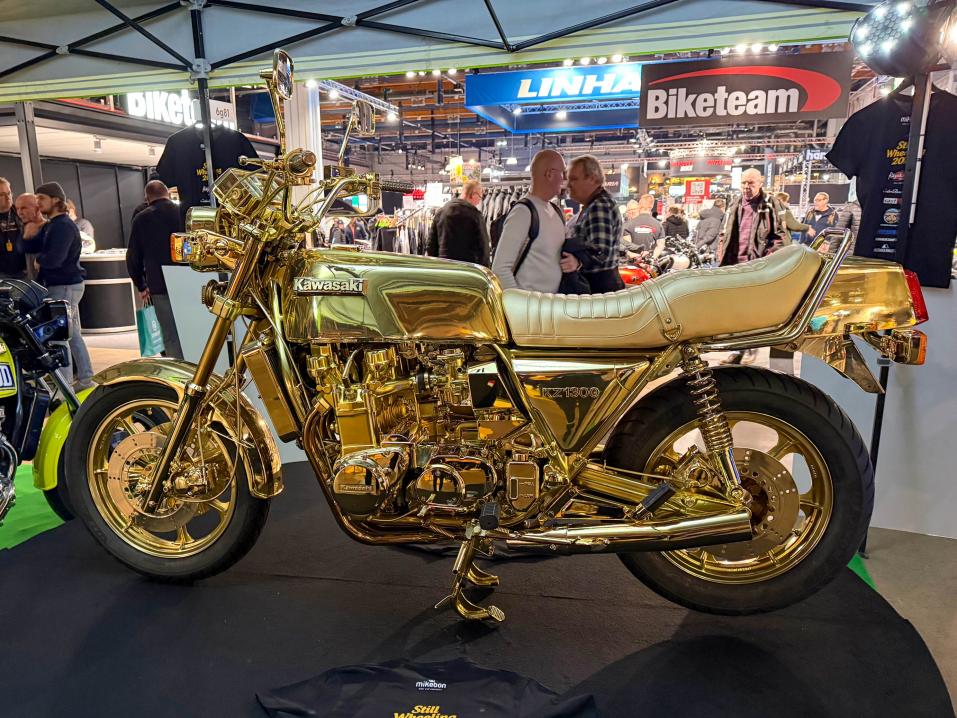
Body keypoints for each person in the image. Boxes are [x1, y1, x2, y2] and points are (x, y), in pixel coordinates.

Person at [31, 182, 93, 390]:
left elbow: (55, 259)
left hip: (64, 286)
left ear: (56, 199)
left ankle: (66, 385)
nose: (38, 203)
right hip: (65, 285)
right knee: (72, 334)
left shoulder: (62, 226)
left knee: (61, 336)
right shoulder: (55, 225)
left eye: (41, 198)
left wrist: (40, 260)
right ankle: (85, 378)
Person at [491, 149, 570, 292]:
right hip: (530, 305)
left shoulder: (556, 212)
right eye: (563, 173)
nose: (564, 179)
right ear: (549, 174)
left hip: (553, 303)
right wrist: (520, 303)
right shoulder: (523, 212)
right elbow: (500, 268)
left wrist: (575, 262)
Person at [126, 180, 185, 359]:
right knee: (191, 327)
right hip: (187, 281)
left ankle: (177, 371)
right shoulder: (183, 212)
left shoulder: (141, 219)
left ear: (147, 198)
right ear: (167, 193)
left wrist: (141, 284)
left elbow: (133, 256)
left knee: (170, 335)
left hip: (159, 284)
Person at [563, 154, 625, 293]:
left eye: (574, 179)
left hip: (598, 289)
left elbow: (600, 251)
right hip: (601, 287)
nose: (568, 184)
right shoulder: (594, 204)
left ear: (592, 178)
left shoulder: (599, 206)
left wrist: (578, 262)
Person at [716, 168, 789, 266]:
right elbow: (723, 233)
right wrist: (720, 255)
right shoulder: (734, 204)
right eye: (743, 182)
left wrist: (768, 258)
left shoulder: (771, 204)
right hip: (732, 264)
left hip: (758, 266)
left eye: (751, 183)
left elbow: (781, 236)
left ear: (760, 184)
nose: (746, 186)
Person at [426, 179, 490, 266]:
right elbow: (484, 249)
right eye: (480, 197)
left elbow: (431, 245)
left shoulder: (441, 212)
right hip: (467, 268)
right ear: (473, 194)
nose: (479, 201)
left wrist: (436, 266)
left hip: (444, 266)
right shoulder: (475, 216)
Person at [14, 192, 45, 282]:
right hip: (33, 283)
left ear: (37, 208)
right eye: (17, 209)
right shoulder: (24, 229)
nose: (19, 213)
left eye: (24, 208)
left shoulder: (50, 228)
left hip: (50, 284)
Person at [0, 178, 26, 279]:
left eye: (9, 193)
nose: (8, 197)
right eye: (2, 194)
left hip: (24, 271)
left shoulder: (21, 212)